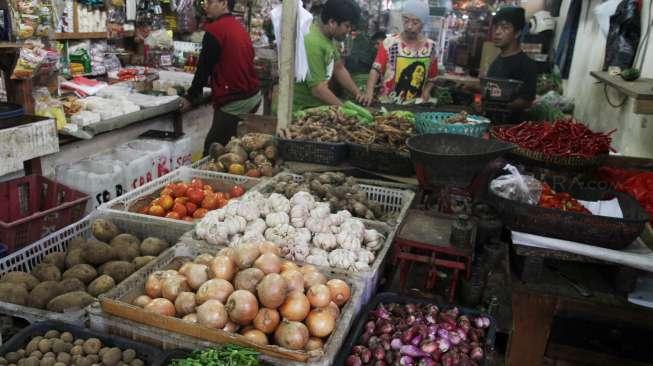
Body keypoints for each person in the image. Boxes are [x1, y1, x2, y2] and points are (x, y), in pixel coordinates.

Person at [181, 0, 261, 155]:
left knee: (212, 152)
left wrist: (190, 96)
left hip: (236, 100)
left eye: (210, 2)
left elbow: (204, 69)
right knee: (235, 151)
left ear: (224, 3)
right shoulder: (238, 27)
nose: (206, 5)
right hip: (253, 96)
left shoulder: (215, 31)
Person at [292, 0, 367, 112]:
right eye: (347, 26)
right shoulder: (313, 43)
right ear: (332, 22)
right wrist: (346, 110)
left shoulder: (328, 37)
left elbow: (339, 68)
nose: (349, 30)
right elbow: (318, 89)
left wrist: (358, 94)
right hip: (300, 109)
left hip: (315, 105)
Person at [362, 0, 438, 105]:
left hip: (415, 106)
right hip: (387, 103)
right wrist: (369, 92)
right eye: (406, 20)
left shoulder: (430, 47)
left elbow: (432, 78)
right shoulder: (390, 43)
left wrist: (426, 91)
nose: (409, 26)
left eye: (415, 22)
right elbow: (375, 69)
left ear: (423, 23)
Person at [485, 6, 537, 122]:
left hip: (509, 130)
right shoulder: (497, 60)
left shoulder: (526, 64)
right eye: (496, 27)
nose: (497, 32)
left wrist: (501, 106)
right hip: (491, 124)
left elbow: (527, 101)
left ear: (517, 33)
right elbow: (494, 89)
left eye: (505, 28)